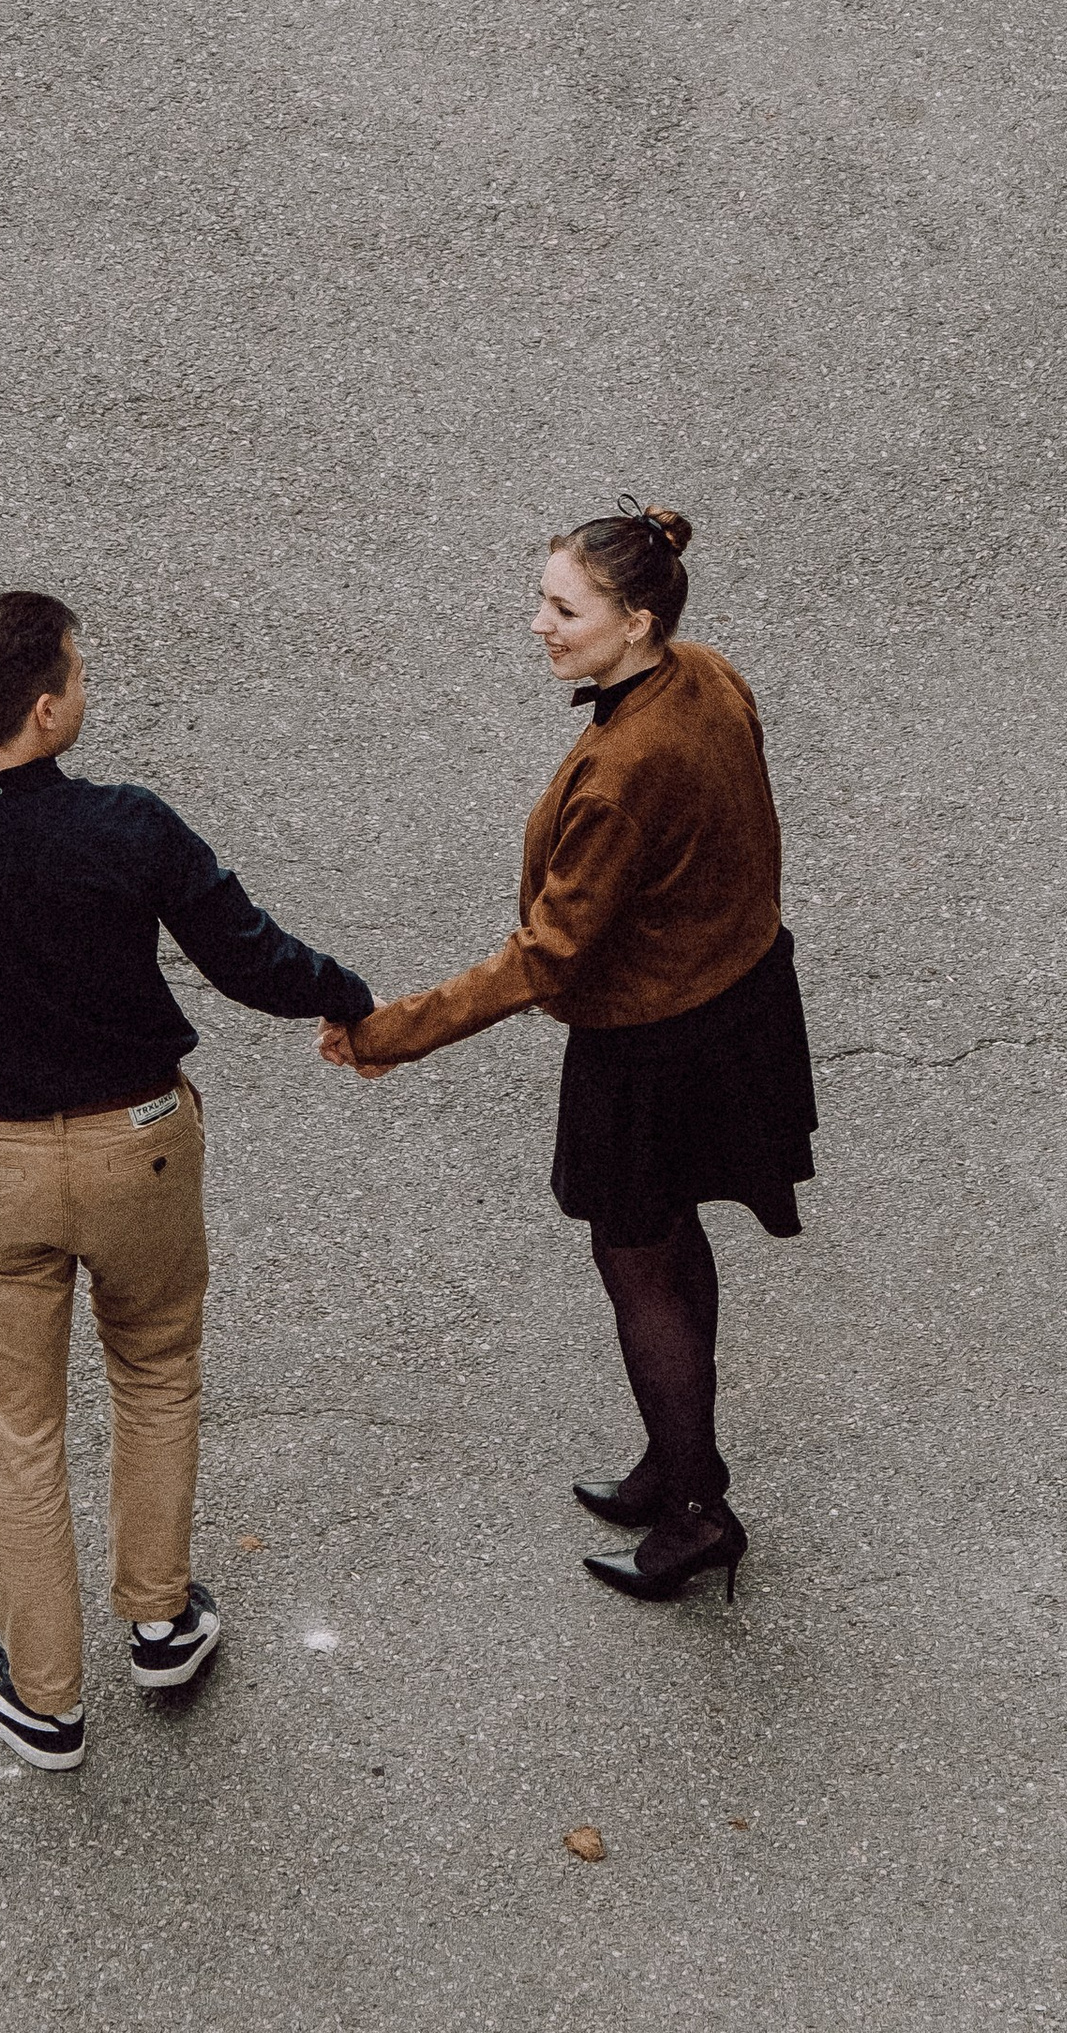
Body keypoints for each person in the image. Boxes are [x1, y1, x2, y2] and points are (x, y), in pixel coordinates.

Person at [0, 587, 376, 1768]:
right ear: (44, 707)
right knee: (157, 1368)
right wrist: (347, 998)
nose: (84, 684)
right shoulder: (128, 827)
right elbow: (247, 955)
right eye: (76, 671)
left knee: (18, 1431)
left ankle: (46, 1696)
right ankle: (162, 1620)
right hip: (140, 1146)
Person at [324, 505, 815, 1603]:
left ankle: (694, 1512)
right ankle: (679, 1460)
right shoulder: (707, 676)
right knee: (672, 1243)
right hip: (735, 1005)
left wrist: (390, 1033)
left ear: (636, 623)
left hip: (653, 1045)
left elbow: (547, 956)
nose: (536, 624)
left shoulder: (622, 769)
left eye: (562, 608)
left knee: (636, 1262)